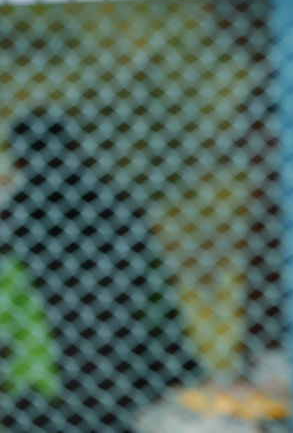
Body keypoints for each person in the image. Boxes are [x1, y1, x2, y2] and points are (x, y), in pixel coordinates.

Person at [0, 110, 201, 432]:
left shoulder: (18, 216)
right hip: (118, 362)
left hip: (50, 374)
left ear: (21, 159)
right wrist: (176, 356)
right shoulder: (115, 205)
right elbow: (155, 293)